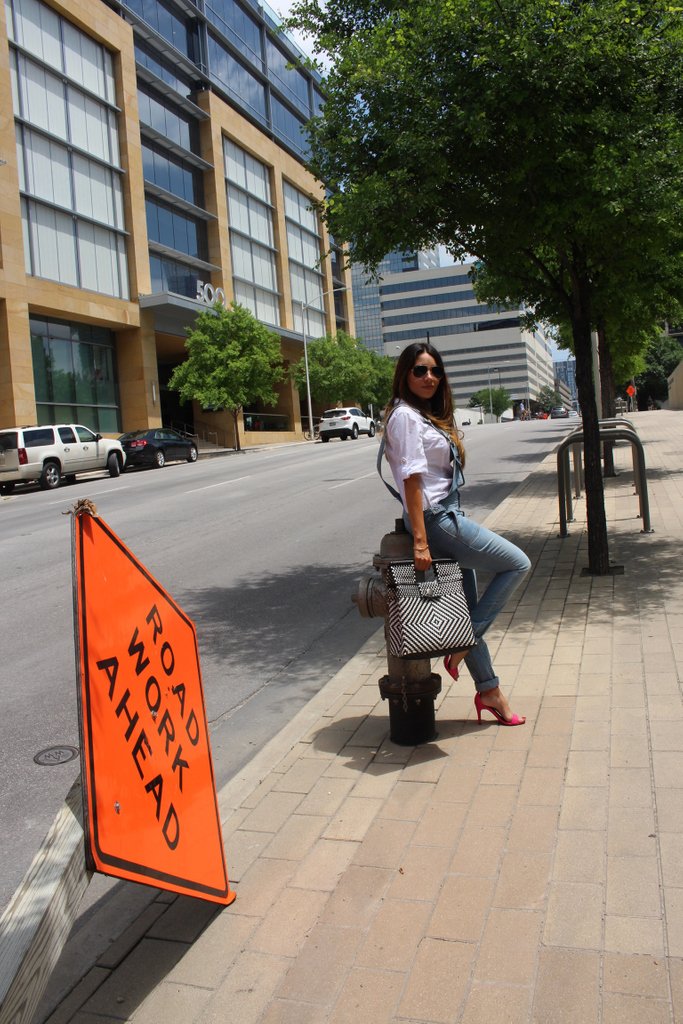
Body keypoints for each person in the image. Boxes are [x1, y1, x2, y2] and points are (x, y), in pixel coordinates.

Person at [381, 342, 531, 726]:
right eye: (419, 370)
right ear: (405, 374)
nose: (429, 377)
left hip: (446, 513)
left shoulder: (424, 415)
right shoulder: (405, 417)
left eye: (434, 370)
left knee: (465, 606)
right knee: (517, 564)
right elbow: (412, 480)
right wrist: (420, 540)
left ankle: (490, 691)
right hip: (436, 521)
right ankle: (462, 646)